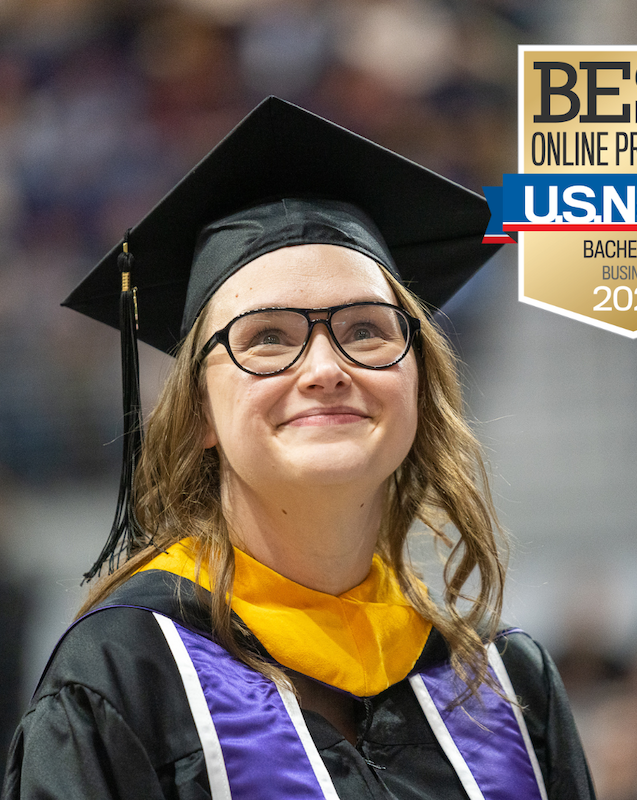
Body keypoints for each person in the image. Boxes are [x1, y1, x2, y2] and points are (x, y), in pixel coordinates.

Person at [2, 97, 596, 800]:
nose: (325, 368)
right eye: (267, 338)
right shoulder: (126, 680)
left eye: (367, 329)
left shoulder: (506, 688)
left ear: (420, 383)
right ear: (199, 414)